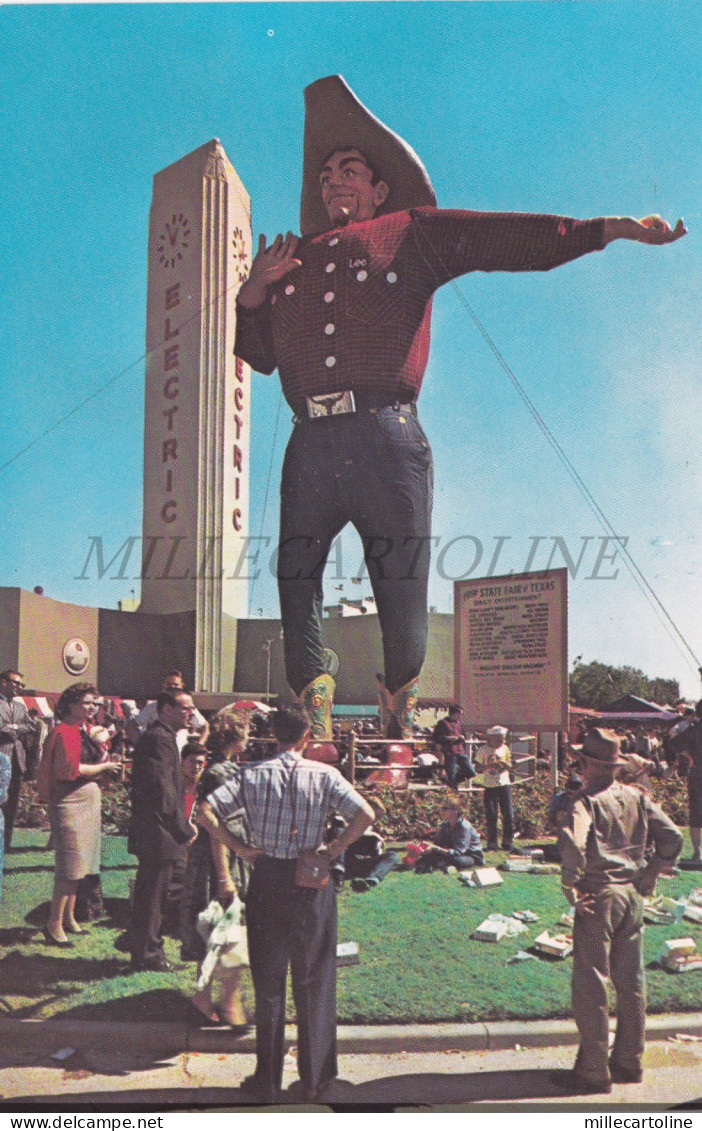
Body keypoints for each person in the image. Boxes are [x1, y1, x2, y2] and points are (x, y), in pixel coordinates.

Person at [234, 74, 686, 742]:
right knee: (295, 575)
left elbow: (508, 238)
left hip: (388, 433)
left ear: (381, 188)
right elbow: (261, 356)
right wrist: (253, 291)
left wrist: (605, 230)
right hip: (313, 441)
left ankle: (399, 709)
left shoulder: (409, 231)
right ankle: (314, 712)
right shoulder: (289, 261)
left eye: (350, 170)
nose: (334, 182)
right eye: (325, 173)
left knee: (399, 582)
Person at [197, 704, 374, 1104]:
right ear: (307, 737)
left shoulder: (251, 774)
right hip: (312, 879)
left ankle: (268, 1079)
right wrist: (333, 848)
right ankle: (314, 1078)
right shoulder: (325, 774)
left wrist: (240, 848)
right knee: (314, 978)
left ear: (272, 734)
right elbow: (366, 814)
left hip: (267, 878)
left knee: (269, 981)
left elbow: (204, 812)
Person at [553, 728, 682, 1095]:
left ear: (586, 763)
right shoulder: (637, 797)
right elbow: (672, 836)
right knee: (631, 981)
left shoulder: (583, 802)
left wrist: (570, 886)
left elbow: (575, 846)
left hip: (598, 895)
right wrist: (652, 872)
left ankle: (593, 1070)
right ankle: (629, 1061)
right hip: (631, 893)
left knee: (592, 983)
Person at [36, 683, 121, 946]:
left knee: (80, 866)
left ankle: (69, 918)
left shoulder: (82, 731)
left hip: (86, 802)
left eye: (94, 703)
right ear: (71, 704)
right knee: (69, 867)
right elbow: (69, 770)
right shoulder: (65, 731)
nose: (92, 707)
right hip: (70, 802)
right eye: (87, 702)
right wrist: (105, 766)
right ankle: (53, 925)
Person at [128, 689, 197, 971]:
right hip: (158, 833)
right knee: (154, 896)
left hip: (158, 832)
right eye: (185, 708)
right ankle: (148, 955)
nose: (191, 713)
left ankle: (148, 950)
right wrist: (183, 829)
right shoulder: (159, 739)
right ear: (166, 709)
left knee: (154, 894)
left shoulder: (163, 737)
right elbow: (163, 790)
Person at [0, 669, 37, 851]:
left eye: (21, 684)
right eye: (16, 683)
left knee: (12, 804)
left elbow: (31, 726)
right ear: (4, 682)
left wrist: (13, 727)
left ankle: (6, 843)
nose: (19, 687)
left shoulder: (21, 707)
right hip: (1, 758)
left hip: (17, 762)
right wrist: (13, 729)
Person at [328, 796, 398, 892]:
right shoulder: (346, 820)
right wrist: (372, 835)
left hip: (360, 863)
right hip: (344, 859)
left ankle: (370, 881)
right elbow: (345, 830)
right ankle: (337, 877)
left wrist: (377, 846)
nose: (376, 819)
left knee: (393, 855)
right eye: (376, 815)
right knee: (338, 828)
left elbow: (377, 853)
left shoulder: (372, 829)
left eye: (379, 817)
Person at [127, 670, 209, 752]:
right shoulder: (153, 707)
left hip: (179, 753)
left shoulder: (188, 708)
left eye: (176, 685)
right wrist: (141, 745)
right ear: (163, 685)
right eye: (168, 684)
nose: (172, 687)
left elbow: (205, 726)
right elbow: (131, 725)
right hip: (158, 752)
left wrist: (198, 747)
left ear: (182, 686)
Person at [667, 698, 702, 864]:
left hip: (696, 773)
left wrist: (689, 757)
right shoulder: (694, 729)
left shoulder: (693, 729)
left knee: (696, 813)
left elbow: (674, 743)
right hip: (697, 772)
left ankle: (697, 853)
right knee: (695, 812)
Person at [414, 800, 484, 872]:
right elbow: (439, 844)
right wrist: (428, 847)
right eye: (442, 808)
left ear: (455, 811)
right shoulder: (445, 825)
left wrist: (436, 849)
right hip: (451, 853)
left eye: (445, 808)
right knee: (429, 855)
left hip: (469, 856)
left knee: (455, 859)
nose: (442, 811)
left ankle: (440, 865)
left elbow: (459, 852)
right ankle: (443, 866)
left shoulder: (464, 827)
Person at [474, 725, 514, 851]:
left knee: (508, 814)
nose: (501, 742)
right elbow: (477, 767)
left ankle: (508, 841)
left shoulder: (505, 749)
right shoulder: (483, 750)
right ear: (491, 738)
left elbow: (510, 764)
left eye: (502, 739)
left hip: (504, 784)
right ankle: (492, 842)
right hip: (490, 785)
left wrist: (506, 765)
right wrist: (489, 766)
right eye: (498, 739)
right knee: (491, 814)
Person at [431, 704, 475, 789]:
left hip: (461, 751)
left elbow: (464, 734)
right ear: (454, 713)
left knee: (471, 772)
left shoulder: (458, 723)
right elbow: (436, 737)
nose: (460, 716)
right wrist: (448, 738)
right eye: (460, 714)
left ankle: (452, 782)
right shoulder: (443, 723)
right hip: (450, 752)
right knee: (452, 774)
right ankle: (452, 784)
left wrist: (462, 737)